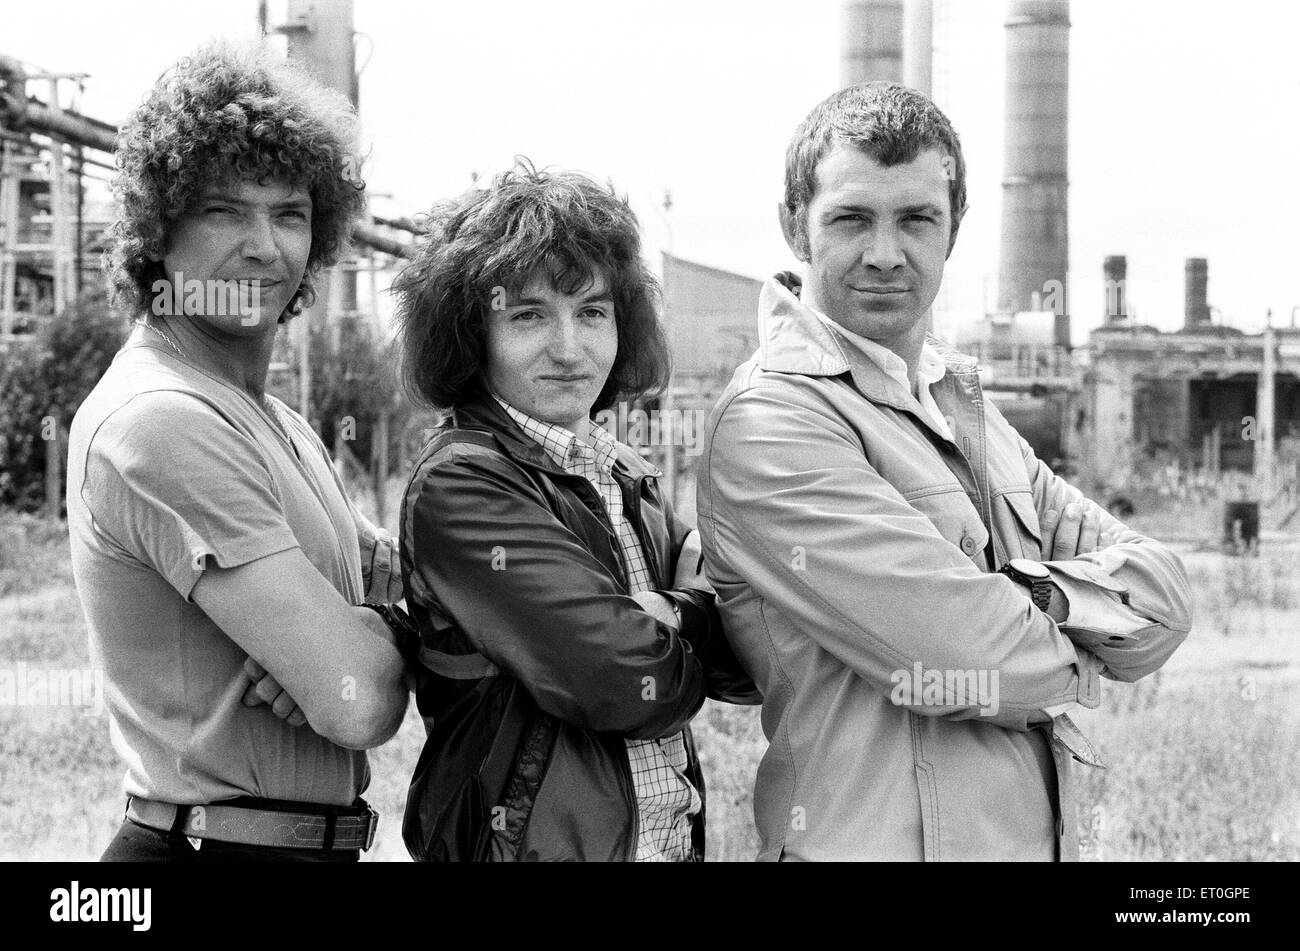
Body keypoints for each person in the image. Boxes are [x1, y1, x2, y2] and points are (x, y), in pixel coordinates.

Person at [695, 82, 1194, 861]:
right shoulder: (773, 425)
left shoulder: (967, 410)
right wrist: (1089, 641)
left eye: (916, 219)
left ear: (954, 228)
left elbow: (1167, 597)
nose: (886, 253)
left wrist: (1037, 598)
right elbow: (966, 659)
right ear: (796, 225)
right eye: (852, 218)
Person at [66, 44, 410, 862]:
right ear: (159, 231)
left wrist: (375, 626)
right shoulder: (162, 420)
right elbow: (358, 704)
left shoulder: (276, 422)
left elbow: (414, 580)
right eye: (224, 211)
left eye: (290, 213)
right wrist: (351, 655)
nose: (265, 246)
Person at [392, 160, 757, 862]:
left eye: (592, 311)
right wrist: (690, 627)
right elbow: (625, 680)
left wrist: (676, 615)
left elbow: (754, 651)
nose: (569, 347)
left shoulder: (623, 472)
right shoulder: (464, 482)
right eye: (528, 315)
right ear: (473, 334)